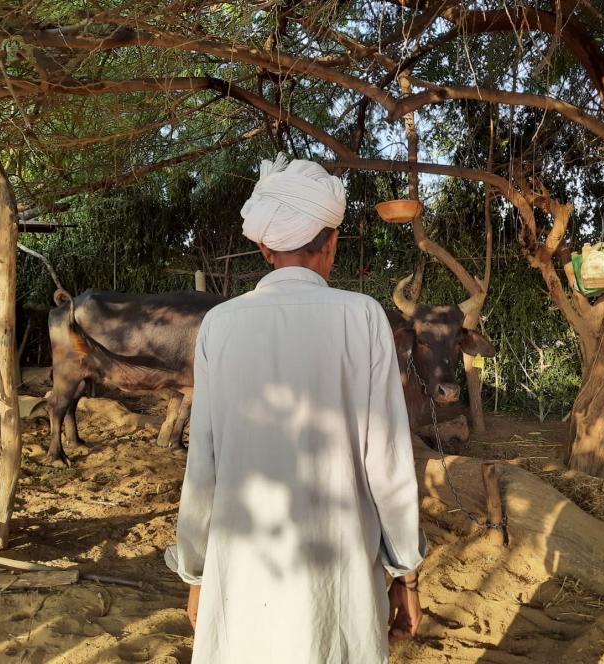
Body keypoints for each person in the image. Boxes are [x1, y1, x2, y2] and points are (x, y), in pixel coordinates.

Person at [166, 154, 426, 663]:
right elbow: (389, 466)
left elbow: (204, 468)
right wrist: (405, 574)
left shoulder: (220, 326)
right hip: (342, 577)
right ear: (331, 244)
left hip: (243, 575)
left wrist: (198, 573)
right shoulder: (365, 319)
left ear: (264, 247)